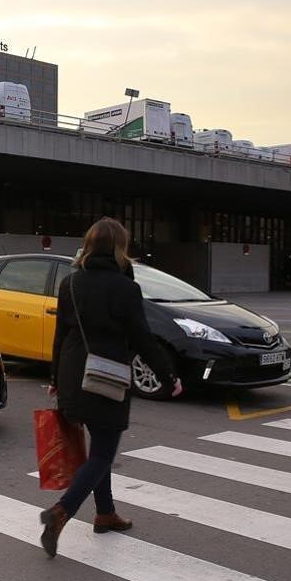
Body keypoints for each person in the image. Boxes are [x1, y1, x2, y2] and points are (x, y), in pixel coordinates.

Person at [40, 217, 181, 558]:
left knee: (99, 450)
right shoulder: (125, 288)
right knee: (103, 452)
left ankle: (105, 514)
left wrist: (56, 379)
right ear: (121, 247)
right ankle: (62, 511)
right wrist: (168, 376)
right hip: (107, 377)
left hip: (75, 376)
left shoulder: (70, 283)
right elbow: (142, 338)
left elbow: (61, 337)